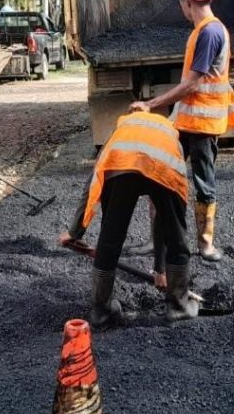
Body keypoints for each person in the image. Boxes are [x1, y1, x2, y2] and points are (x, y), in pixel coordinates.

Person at [129, 0, 234, 262]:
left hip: (203, 127)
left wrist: (152, 103)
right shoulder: (201, 30)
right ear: (206, 0)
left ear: (186, 3)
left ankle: (205, 245)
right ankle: (156, 241)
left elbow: (193, 84)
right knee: (159, 176)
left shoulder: (210, 32)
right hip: (185, 123)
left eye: (183, 6)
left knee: (204, 184)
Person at [59, 111, 199, 326]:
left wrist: (74, 231)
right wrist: (160, 268)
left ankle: (101, 311)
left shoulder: (120, 132)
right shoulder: (172, 137)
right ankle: (179, 307)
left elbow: (91, 185)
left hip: (120, 165)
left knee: (110, 236)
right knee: (177, 236)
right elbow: (163, 216)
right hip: (163, 167)